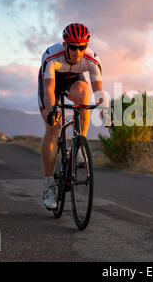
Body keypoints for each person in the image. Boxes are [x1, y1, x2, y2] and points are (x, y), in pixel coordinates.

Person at [38, 23, 106, 210]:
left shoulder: (92, 60)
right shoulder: (52, 56)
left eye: (81, 47)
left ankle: (79, 145)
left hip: (74, 81)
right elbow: (49, 90)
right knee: (53, 127)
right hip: (51, 82)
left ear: (86, 46)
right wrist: (51, 110)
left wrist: (104, 109)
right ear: (65, 44)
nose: (77, 51)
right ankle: (49, 186)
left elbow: (98, 90)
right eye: (73, 47)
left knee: (85, 93)